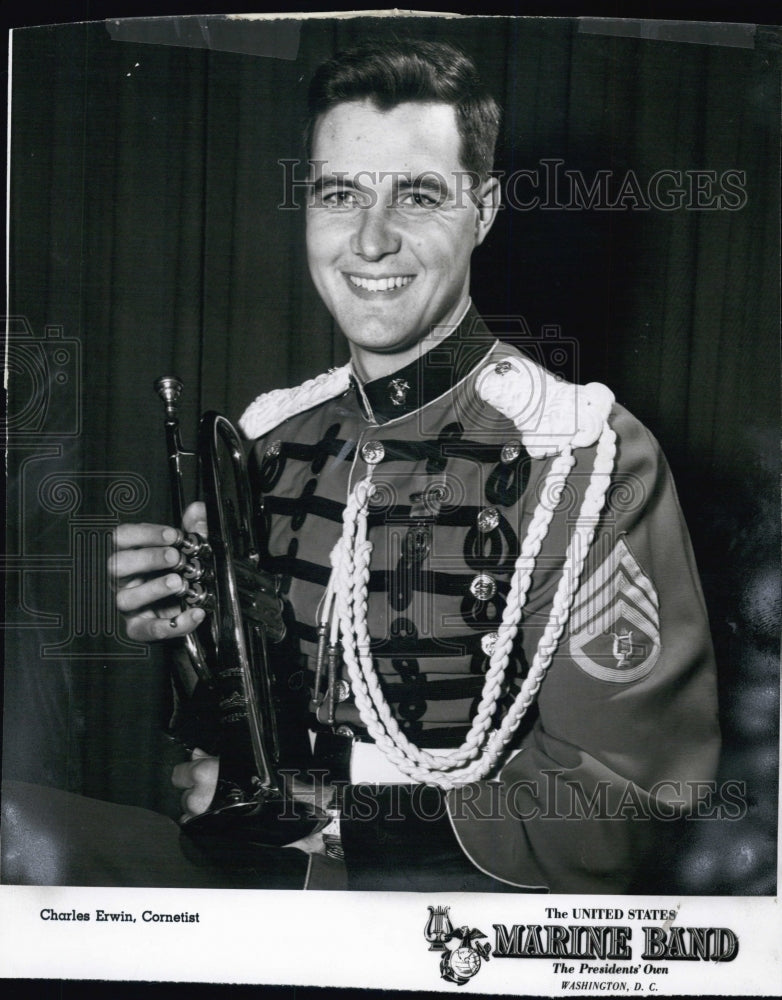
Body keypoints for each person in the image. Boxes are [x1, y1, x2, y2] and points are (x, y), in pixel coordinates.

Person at [11, 39, 721, 893]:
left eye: (417, 196)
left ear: (484, 211)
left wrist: (333, 810)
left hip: (453, 914)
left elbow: (629, 803)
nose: (371, 241)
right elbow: (229, 756)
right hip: (264, 884)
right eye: (340, 194)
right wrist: (196, 637)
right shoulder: (268, 436)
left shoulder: (586, 455)